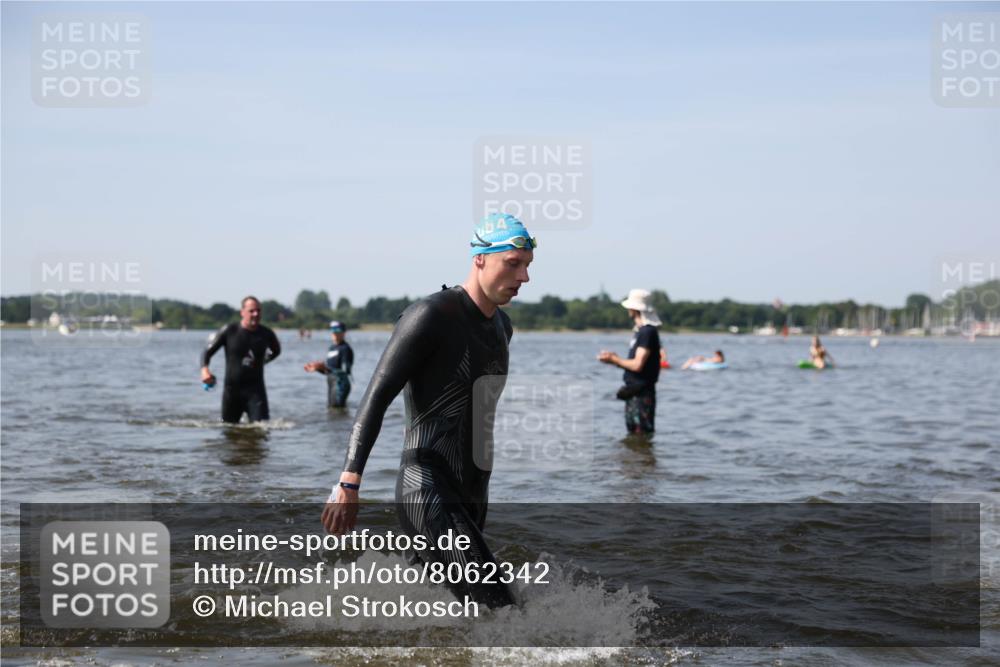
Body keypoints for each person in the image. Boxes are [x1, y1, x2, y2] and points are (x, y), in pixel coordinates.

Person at [321, 212, 535, 609]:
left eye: (527, 266)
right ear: (480, 259)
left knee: (456, 611)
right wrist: (349, 483)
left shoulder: (502, 327)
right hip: (427, 485)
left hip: (473, 489)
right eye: (513, 263)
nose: (524, 277)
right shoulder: (431, 315)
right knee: (501, 609)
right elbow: (376, 395)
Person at [200, 296, 281, 423]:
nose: (256, 314)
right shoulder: (229, 331)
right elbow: (207, 352)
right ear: (242, 312)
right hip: (232, 392)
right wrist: (205, 370)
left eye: (258, 311)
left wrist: (262, 361)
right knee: (228, 431)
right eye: (252, 311)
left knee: (261, 429)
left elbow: (276, 351)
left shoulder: (266, 333)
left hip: (256, 391)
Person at [597, 288, 662, 435]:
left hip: (642, 393)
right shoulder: (641, 331)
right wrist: (614, 359)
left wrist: (614, 359)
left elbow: (638, 365)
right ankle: (639, 458)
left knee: (641, 434)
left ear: (634, 309)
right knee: (634, 437)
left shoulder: (647, 332)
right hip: (634, 392)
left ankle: (641, 458)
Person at [304, 321, 354, 408]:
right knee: (331, 410)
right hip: (331, 382)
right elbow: (328, 371)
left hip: (341, 384)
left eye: (337, 330)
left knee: (337, 409)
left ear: (343, 332)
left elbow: (346, 371)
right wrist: (317, 368)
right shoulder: (332, 348)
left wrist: (324, 367)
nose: (334, 333)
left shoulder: (345, 349)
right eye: (333, 330)